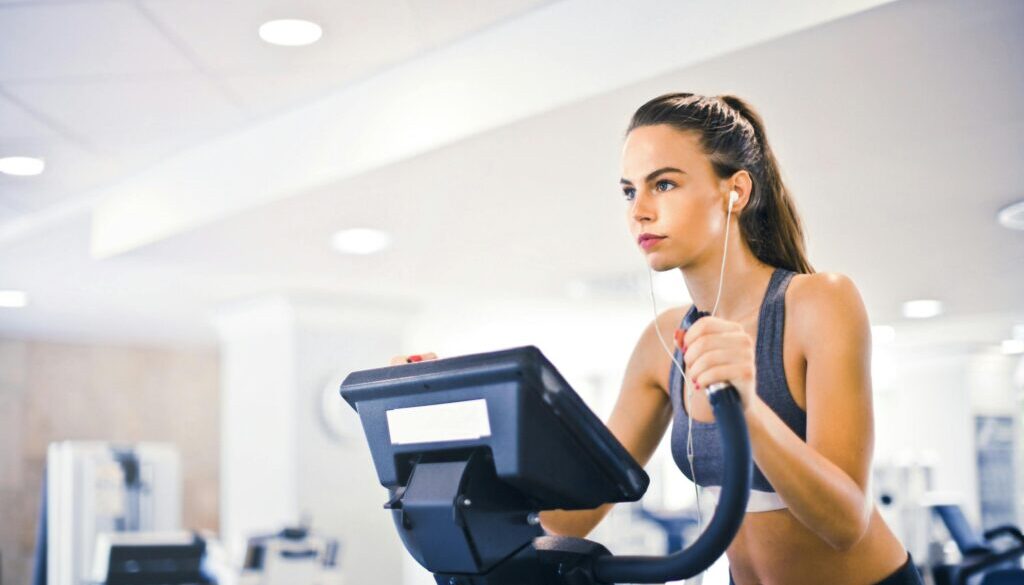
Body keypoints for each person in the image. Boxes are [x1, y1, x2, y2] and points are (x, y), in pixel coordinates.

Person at [392, 93, 922, 585]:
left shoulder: (817, 303)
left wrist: (745, 408)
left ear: (734, 191)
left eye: (663, 184)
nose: (639, 209)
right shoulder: (662, 342)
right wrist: (441, 449)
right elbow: (577, 512)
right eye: (629, 190)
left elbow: (845, 521)